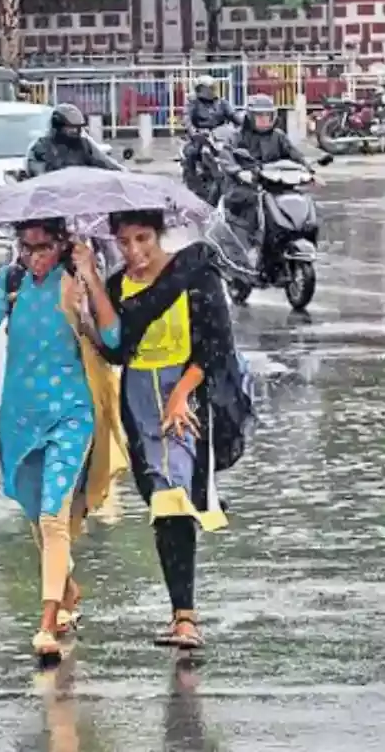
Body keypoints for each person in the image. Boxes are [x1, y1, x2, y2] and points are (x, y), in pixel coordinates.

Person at [0, 220, 126, 660]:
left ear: (61, 244)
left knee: (52, 516)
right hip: (20, 419)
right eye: (26, 248)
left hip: (71, 415)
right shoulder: (12, 280)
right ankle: (67, 588)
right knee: (34, 511)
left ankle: (47, 624)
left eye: (43, 248)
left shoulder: (75, 280)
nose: (34, 256)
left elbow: (114, 338)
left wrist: (92, 282)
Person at [99, 210, 253, 650]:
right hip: (137, 404)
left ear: (159, 233)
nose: (134, 251)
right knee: (162, 500)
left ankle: (185, 617)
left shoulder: (195, 273)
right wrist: (90, 285)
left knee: (173, 496)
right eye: (124, 242)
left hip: (185, 398)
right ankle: (180, 613)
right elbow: (115, 350)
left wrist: (181, 393)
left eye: (143, 238)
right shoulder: (116, 286)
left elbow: (216, 343)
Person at [215, 93, 314, 255]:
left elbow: (295, 154)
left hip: (275, 184)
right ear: (250, 117)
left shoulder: (278, 136)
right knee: (250, 201)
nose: (264, 120)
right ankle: (250, 243)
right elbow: (226, 157)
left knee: (298, 199)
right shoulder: (237, 136)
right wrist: (239, 172)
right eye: (259, 116)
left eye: (268, 116)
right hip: (246, 185)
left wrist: (309, 170)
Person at [181, 76, 241, 200]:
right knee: (191, 153)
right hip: (202, 137)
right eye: (210, 88)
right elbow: (187, 120)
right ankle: (193, 184)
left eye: (214, 87)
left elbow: (233, 115)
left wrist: (245, 123)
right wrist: (194, 133)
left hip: (220, 136)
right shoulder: (193, 102)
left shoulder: (221, 102)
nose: (214, 90)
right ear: (201, 89)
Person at [24, 103, 124, 178]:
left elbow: (106, 163)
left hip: (82, 195)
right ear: (58, 126)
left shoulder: (84, 145)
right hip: (52, 199)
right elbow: (40, 178)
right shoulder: (40, 148)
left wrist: (125, 175)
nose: (76, 131)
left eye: (78, 128)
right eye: (71, 128)